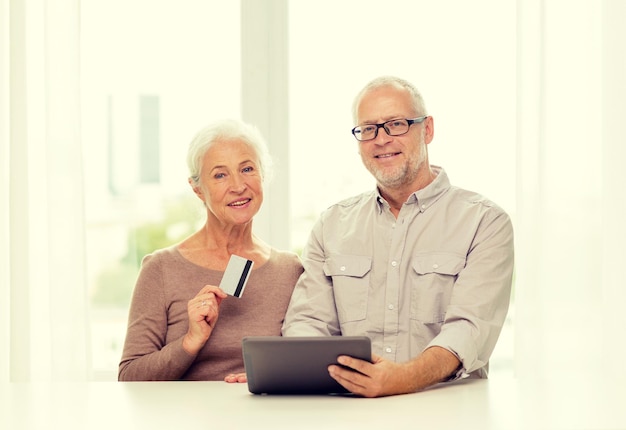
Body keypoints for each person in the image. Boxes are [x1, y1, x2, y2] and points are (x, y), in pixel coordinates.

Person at [281, 76, 514, 397]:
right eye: (368, 129)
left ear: (427, 129)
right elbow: (307, 321)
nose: (381, 139)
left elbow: (470, 329)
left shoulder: (484, 221)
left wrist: (401, 379)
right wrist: (297, 369)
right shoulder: (332, 223)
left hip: (448, 413)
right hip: (349, 411)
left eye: (396, 124)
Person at [119, 119, 303, 382]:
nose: (238, 186)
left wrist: (274, 374)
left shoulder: (290, 269)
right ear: (197, 189)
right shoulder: (160, 268)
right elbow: (129, 378)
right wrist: (190, 342)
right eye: (220, 175)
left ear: (263, 175)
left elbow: (308, 364)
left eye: (248, 169)